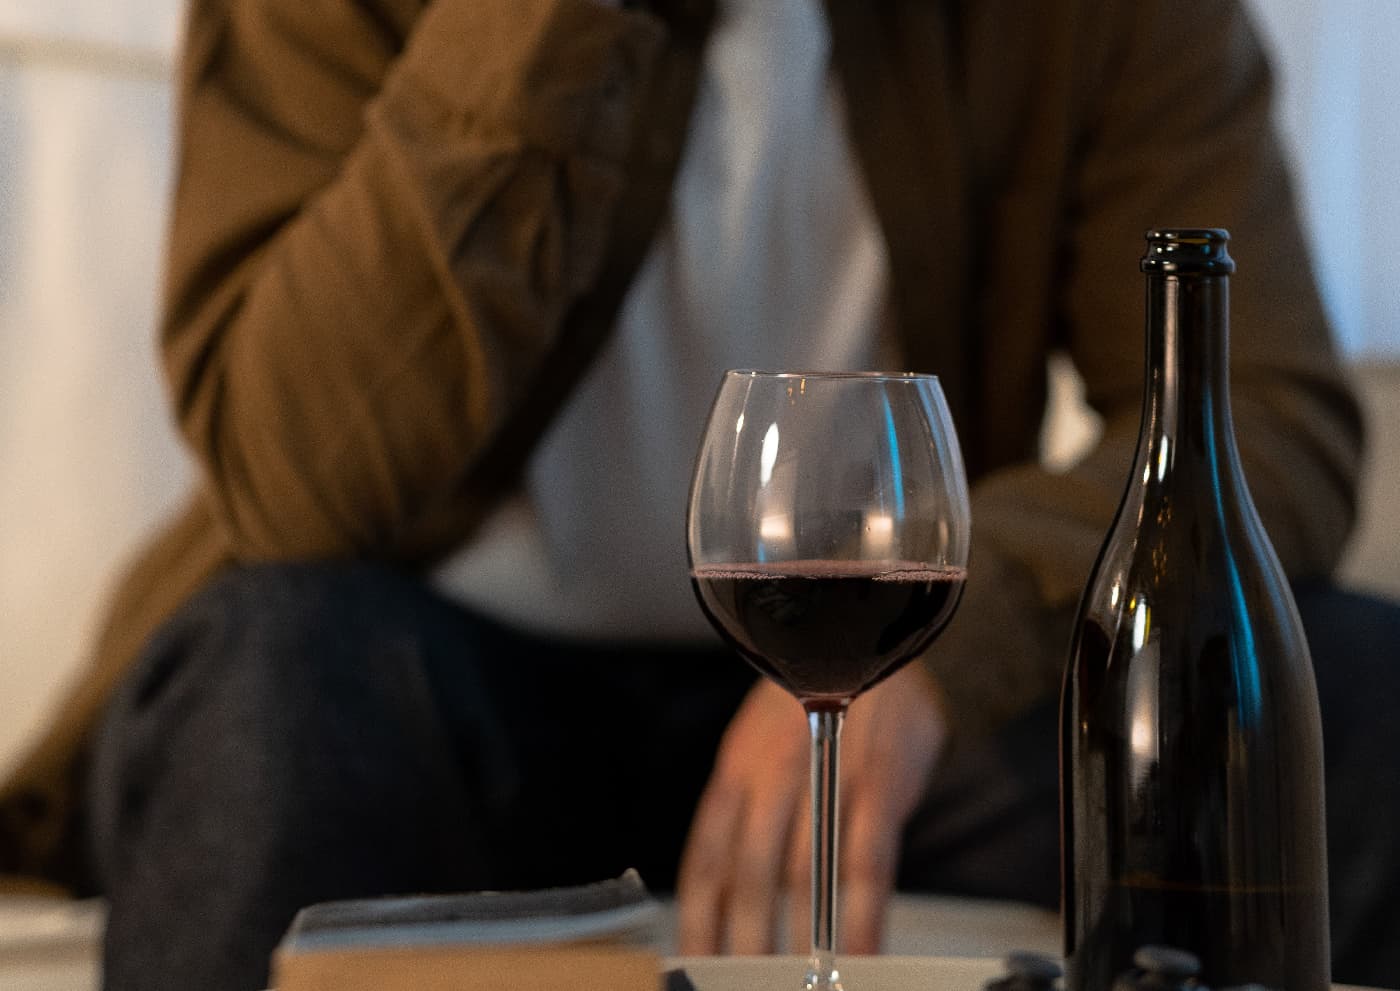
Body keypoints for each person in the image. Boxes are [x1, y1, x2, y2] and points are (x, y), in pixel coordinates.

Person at [1, 0, 1398, 988]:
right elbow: (289, 477)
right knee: (267, 693)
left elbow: (1266, 410)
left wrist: (952, 665)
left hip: (882, 716)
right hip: (433, 692)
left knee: (1353, 701)